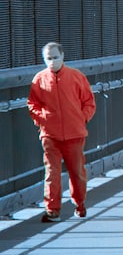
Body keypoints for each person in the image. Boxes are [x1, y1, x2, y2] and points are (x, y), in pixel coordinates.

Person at [27, 42, 97, 222]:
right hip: (50, 135)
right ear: (44, 60)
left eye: (55, 57)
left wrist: (82, 119)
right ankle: (52, 210)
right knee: (52, 173)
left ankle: (80, 205)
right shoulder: (39, 79)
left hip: (74, 134)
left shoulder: (76, 77)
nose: (52, 62)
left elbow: (89, 102)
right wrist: (42, 120)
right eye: (48, 58)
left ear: (63, 56)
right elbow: (33, 104)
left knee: (77, 172)